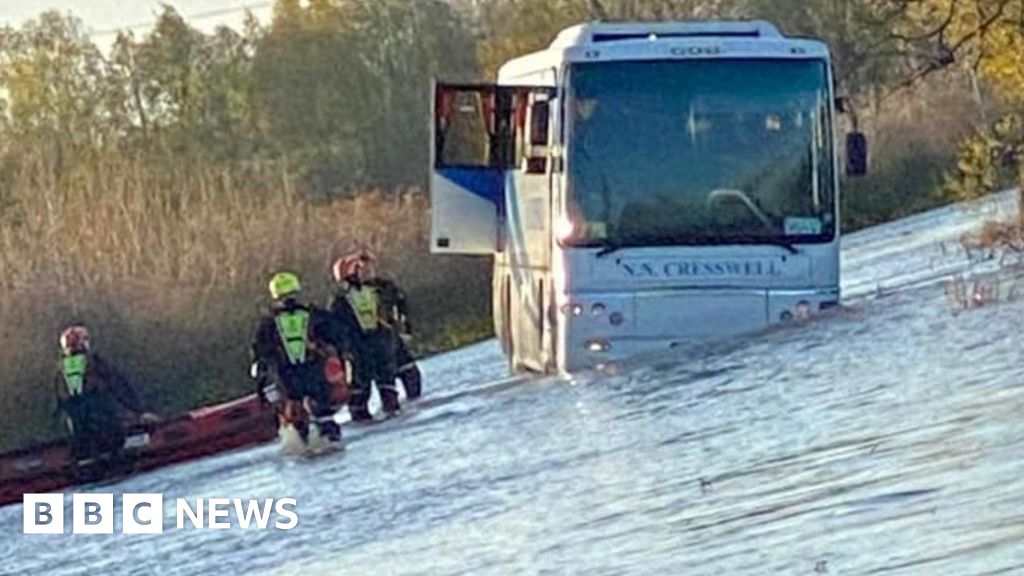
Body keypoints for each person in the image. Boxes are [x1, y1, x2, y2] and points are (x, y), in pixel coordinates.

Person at [250, 272, 346, 442]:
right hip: (310, 370)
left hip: (287, 374)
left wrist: (261, 376)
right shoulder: (312, 314)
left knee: (298, 416)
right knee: (321, 412)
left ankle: (307, 440)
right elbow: (336, 334)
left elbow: (260, 351)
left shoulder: (268, 322)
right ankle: (328, 437)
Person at [54, 325, 152, 462]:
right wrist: (140, 411)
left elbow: (58, 405)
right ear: (82, 343)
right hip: (107, 429)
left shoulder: (60, 372)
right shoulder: (96, 363)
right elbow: (120, 387)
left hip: (79, 436)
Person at [328, 252, 401, 421]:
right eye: (359, 269)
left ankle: (371, 414)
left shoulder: (345, 297)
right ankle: (385, 411)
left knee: (371, 384)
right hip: (369, 344)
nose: (364, 272)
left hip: (366, 345)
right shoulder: (362, 293)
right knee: (375, 384)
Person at [357, 250, 422, 400]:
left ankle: (414, 407)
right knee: (384, 385)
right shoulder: (352, 294)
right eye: (362, 268)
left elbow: (402, 306)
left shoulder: (386, 286)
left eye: (369, 266)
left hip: (391, 338)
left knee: (411, 375)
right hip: (370, 346)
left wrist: (406, 329)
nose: (366, 271)